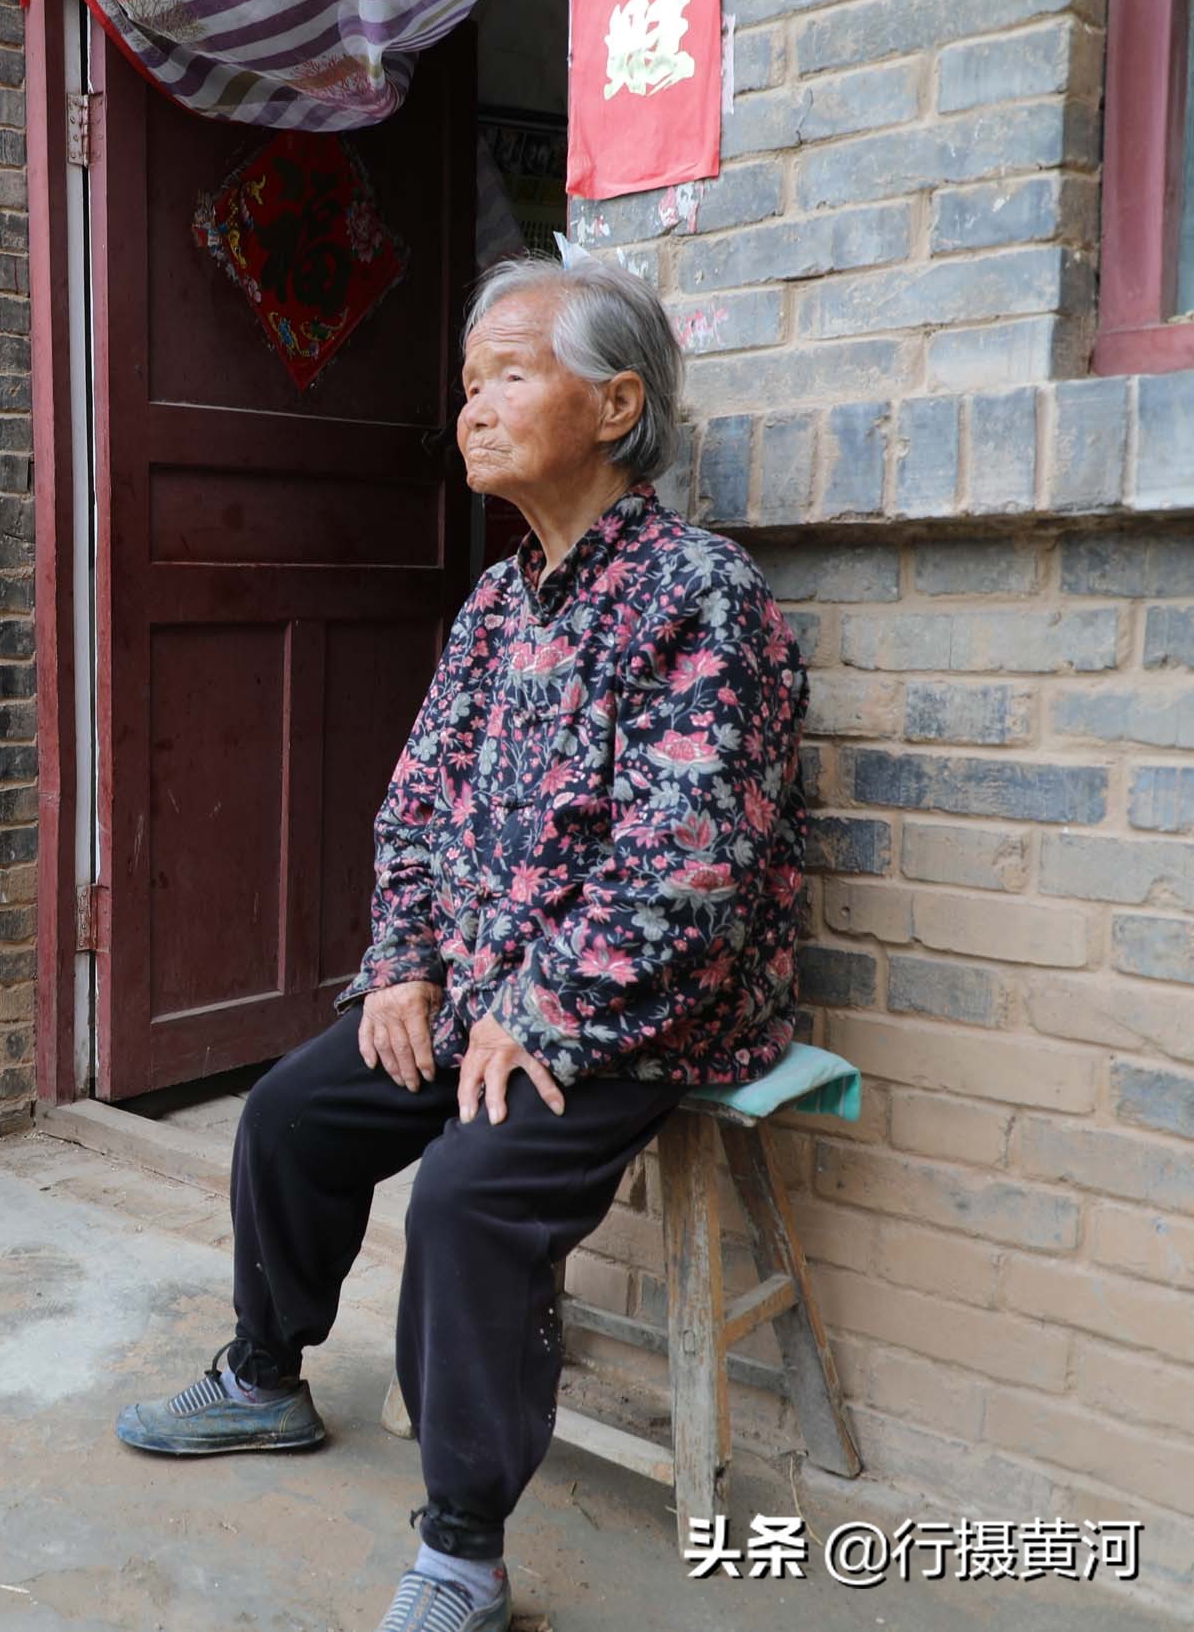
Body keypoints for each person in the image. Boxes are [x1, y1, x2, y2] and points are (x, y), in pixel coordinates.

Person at [112, 254, 807, 1632]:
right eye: (469, 382)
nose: (473, 407)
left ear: (616, 404)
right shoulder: (499, 605)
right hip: (484, 994)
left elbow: (688, 866)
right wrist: (405, 965)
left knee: (467, 1196)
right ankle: (264, 1379)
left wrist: (543, 1012)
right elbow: (417, 800)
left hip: (642, 1014)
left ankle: (464, 1552)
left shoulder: (698, 597)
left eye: (509, 374)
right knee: (298, 1111)